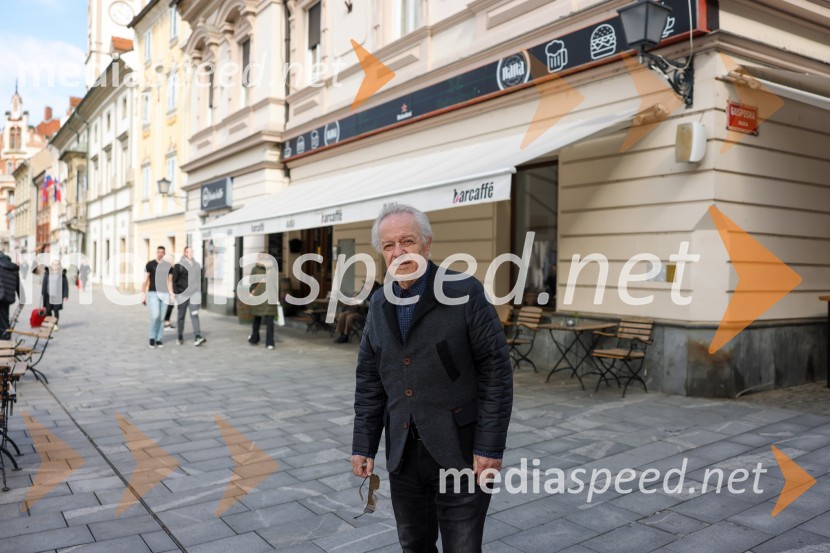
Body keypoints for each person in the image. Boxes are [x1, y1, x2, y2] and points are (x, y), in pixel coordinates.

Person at [351, 204, 513, 553]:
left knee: (463, 547)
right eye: (389, 245)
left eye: (407, 241)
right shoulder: (378, 303)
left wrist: (489, 448)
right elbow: (370, 381)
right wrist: (364, 445)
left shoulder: (464, 291)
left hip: (461, 450)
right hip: (404, 454)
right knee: (414, 544)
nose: (399, 253)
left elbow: (496, 373)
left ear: (427, 243)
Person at [169, 246, 205, 346]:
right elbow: (174, 281)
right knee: (181, 316)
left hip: (194, 295)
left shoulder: (197, 265)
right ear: (184, 253)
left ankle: (197, 335)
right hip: (182, 295)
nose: (191, 254)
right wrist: (176, 294)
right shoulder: (178, 266)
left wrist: (200, 292)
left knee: (194, 315)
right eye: (189, 252)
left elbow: (200, 280)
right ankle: (180, 335)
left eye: (192, 252)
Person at [141, 246, 172, 348]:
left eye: (162, 252)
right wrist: (142, 294)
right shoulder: (150, 264)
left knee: (162, 318)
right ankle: (152, 337)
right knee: (155, 315)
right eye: (158, 252)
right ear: (156, 253)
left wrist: (172, 294)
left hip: (165, 294)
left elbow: (170, 281)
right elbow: (145, 280)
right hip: (153, 293)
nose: (160, 254)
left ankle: (158, 338)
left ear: (164, 254)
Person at [248, 257, 278, 350]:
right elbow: (276, 285)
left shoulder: (255, 269)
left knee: (257, 318)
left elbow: (252, 282)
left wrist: (251, 291)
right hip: (270, 297)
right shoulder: (273, 269)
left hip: (258, 296)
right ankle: (270, 343)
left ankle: (254, 338)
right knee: (269, 321)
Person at [0, 252, 22, 339]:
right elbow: (18, 286)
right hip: (7, 298)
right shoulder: (14, 269)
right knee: (4, 320)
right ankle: (5, 340)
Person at [41, 262, 69, 331]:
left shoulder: (62, 274)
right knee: (48, 311)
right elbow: (44, 284)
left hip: (57, 296)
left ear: (59, 266)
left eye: (57, 264)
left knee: (56, 310)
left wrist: (65, 295)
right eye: (54, 264)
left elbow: (65, 285)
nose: (55, 266)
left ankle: (55, 324)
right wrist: (43, 292)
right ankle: (50, 323)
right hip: (48, 295)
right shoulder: (47, 273)